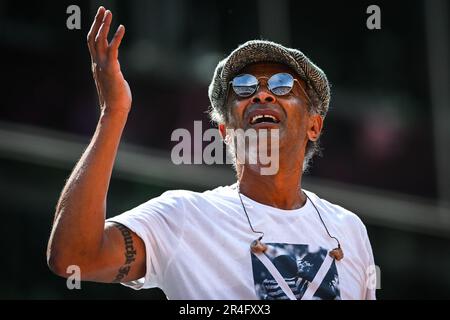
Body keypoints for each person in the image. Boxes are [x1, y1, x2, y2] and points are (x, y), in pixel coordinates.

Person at [47, 6, 376, 300]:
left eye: (281, 86)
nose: (262, 94)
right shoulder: (183, 216)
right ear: (227, 132)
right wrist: (113, 112)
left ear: (313, 127)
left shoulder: (349, 230)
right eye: (244, 87)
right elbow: (74, 257)